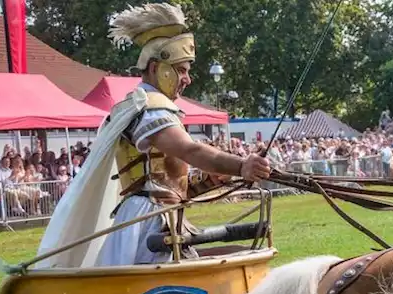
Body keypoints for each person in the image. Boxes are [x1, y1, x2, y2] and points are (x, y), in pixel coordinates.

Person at [36, 2, 270, 268]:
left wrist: (211, 179)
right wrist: (241, 165)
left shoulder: (154, 108)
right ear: (157, 67)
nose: (188, 79)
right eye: (182, 70)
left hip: (162, 214)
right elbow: (189, 151)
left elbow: (166, 184)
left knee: (236, 255)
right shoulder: (150, 107)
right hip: (148, 220)